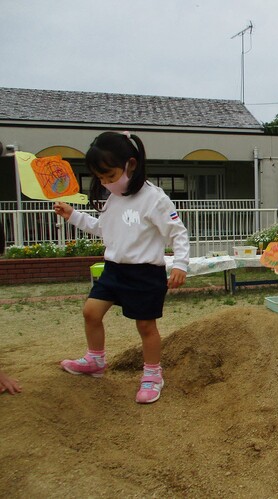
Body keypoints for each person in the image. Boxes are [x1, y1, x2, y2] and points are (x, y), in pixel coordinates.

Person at [54, 131, 189, 404]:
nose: (106, 183)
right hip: (114, 269)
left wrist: (181, 264)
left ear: (131, 165)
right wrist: (73, 215)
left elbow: (179, 232)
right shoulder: (114, 197)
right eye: (101, 178)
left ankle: (152, 374)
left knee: (145, 326)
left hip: (144, 273)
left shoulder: (155, 198)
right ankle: (95, 360)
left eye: (110, 176)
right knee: (91, 312)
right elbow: (103, 228)